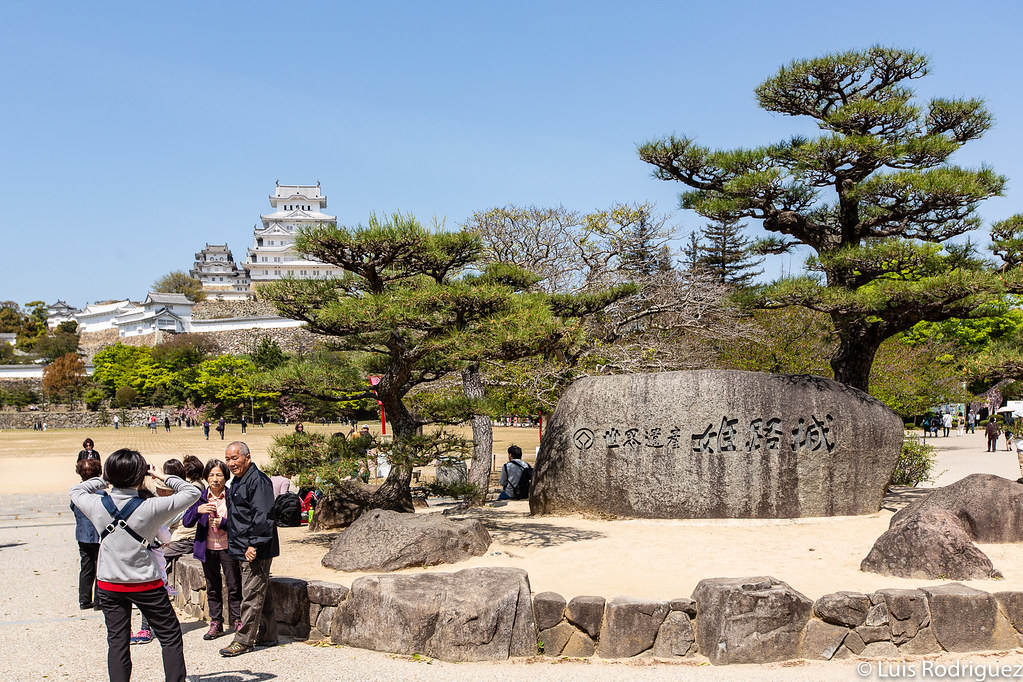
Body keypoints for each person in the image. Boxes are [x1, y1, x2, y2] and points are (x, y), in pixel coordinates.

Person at [69, 448, 200, 682]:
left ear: (109, 473)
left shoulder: (97, 504)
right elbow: (191, 492)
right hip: (145, 583)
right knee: (169, 636)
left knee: (117, 641)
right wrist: (162, 476)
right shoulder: (151, 507)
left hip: (109, 583)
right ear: (140, 475)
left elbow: (75, 490)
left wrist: (103, 479)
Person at [219, 441, 279, 657]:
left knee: (251, 594)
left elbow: (263, 516)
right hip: (242, 545)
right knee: (261, 590)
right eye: (228, 459)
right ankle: (268, 634)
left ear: (248, 457)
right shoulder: (238, 481)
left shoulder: (258, 481)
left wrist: (254, 543)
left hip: (254, 548)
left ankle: (243, 640)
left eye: (235, 458)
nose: (231, 463)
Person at [182, 459, 242, 640]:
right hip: (207, 548)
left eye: (219, 475)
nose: (215, 479)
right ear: (206, 477)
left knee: (234, 586)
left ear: (226, 477)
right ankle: (216, 622)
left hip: (228, 548)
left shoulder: (233, 496)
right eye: (211, 475)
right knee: (213, 587)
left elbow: (241, 523)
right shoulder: (200, 497)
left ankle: (238, 621)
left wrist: (223, 523)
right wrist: (198, 510)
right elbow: (186, 522)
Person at [72, 457, 103, 610]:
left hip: (83, 533)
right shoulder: (101, 493)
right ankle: (99, 600)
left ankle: (84, 599)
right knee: (100, 567)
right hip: (98, 535)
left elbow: (73, 507)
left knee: (86, 566)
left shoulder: (77, 492)